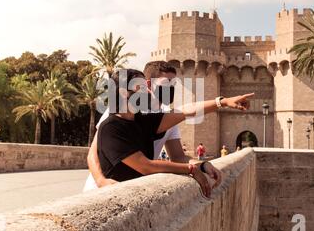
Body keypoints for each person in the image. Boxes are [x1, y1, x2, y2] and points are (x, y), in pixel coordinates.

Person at [94, 68, 254, 197]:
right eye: (140, 88)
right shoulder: (111, 126)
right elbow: (145, 166)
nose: (147, 92)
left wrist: (222, 102)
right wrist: (190, 169)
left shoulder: (142, 121)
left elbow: (185, 111)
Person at [84, 61, 199, 191]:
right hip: (103, 186)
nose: (171, 88)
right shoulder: (120, 111)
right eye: (166, 83)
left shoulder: (164, 116)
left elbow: (178, 157)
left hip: (134, 186)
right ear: (149, 84)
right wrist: (100, 180)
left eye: (173, 84)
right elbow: (93, 152)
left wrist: (202, 165)